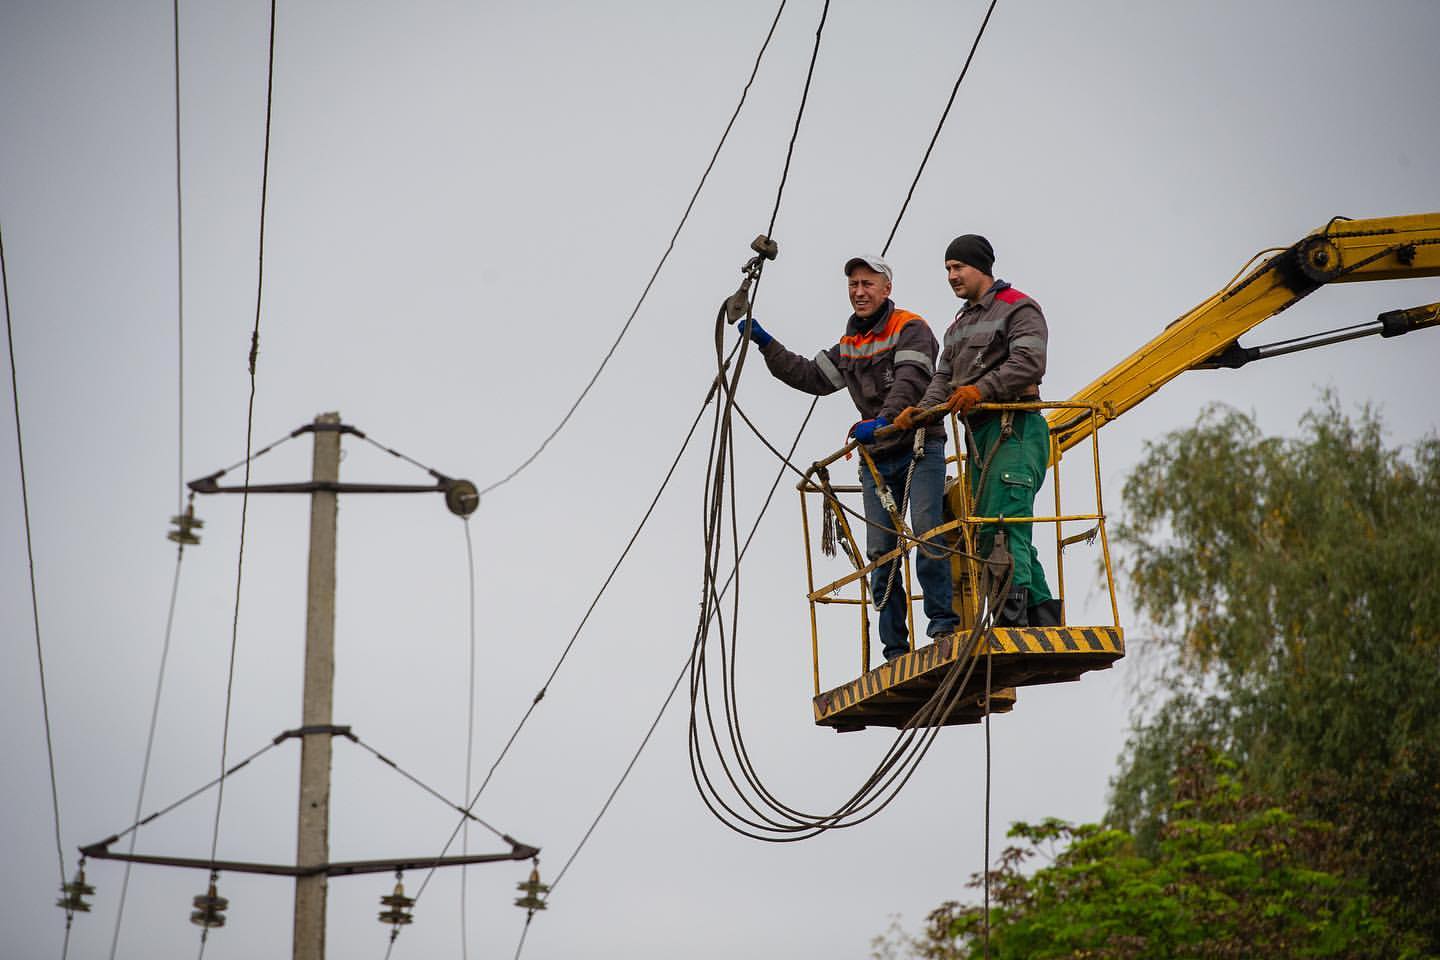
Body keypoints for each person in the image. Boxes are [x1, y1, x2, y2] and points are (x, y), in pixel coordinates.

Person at [739, 255, 960, 662]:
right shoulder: (851, 344)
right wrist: (765, 343)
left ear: (886, 289)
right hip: (876, 459)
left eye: (867, 284)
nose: (859, 292)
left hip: (918, 446)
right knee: (882, 551)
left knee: (928, 532)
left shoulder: (910, 328)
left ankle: (943, 628)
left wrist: (882, 422)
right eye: (853, 285)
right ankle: (895, 649)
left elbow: (911, 384)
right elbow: (811, 376)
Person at [896, 234, 1062, 627]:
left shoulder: (1018, 308)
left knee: (1003, 526)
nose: (952, 276)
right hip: (979, 436)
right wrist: (920, 413)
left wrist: (980, 389)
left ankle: (1011, 619)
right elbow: (943, 377)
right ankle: (1042, 618)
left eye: (958, 268)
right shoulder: (959, 326)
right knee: (992, 525)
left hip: (1015, 428)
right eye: (948, 269)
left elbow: (1029, 362)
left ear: (982, 267)